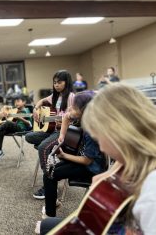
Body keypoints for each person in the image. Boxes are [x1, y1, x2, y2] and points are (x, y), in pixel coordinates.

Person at [36, 83, 156, 234]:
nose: (103, 148)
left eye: (97, 133)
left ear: (116, 131)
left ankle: (50, 209)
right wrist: (108, 175)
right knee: (47, 225)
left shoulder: (152, 194)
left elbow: (88, 160)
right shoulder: (140, 155)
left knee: (46, 227)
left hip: (90, 169)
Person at [40, 91, 106, 221]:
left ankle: (50, 215)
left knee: (50, 174)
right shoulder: (84, 118)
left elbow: (87, 161)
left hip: (91, 169)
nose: (70, 109)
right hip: (83, 161)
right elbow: (65, 119)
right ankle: (52, 205)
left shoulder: (91, 130)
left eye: (74, 107)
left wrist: (64, 156)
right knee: (50, 171)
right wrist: (63, 128)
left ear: (83, 110)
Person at [25, 70, 75, 199]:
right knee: (29, 136)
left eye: (59, 82)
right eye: (54, 82)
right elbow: (41, 101)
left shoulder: (71, 97)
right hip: (52, 130)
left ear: (67, 82)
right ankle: (51, 153)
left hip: (64, 133)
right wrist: (36, 109)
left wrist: (64, 123)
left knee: (42, 148)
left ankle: (49, 184)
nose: (56, 85)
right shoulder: (54, 96)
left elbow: (75, 119)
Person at [0, 95, 32, 161]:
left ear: (24, 102)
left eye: (18, 101)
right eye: (15, 102)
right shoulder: (14, 110)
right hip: (13, 127)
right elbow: (6, 113)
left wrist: (20, 118)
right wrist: (5, 109)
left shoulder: (26, 111)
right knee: (0, 131)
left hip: (21, 129)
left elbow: (30, 124)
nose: (16, 103)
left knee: (8, 123)